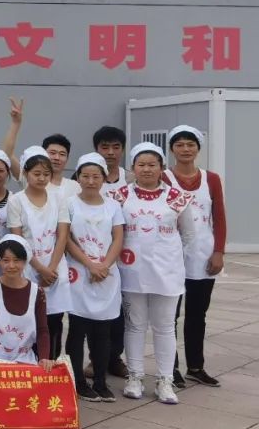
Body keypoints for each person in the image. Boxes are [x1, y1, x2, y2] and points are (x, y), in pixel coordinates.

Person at [114, 142, 195, 404]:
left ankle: (165, 380)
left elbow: (188, 235)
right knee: (134, 325)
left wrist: (166, 254)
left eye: (152, 164)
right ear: (133, 168)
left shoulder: (177, 197)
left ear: (162, 167)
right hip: (131, 272)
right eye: (141, 164)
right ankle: (135, 377)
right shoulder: (120, 196)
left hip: (167, 274)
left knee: (164, 327)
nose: (147, 169)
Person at [164, 124, 226, 388]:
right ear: (172, 149)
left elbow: (219, 217)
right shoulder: (164, 177)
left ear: (198, 148)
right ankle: (171, 368)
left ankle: (196, 366)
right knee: (169, 316)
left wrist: (218, 251)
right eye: (179, 144)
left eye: (190, 144)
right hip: (171, 256)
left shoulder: (211, 178)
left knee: (197, 314)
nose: (185, 149)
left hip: (203, 255)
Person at [65, 153, 124, 402]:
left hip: (107, 274)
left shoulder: (113, 206)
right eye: (85, 176)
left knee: (103, 331)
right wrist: (90, 264)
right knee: (77, 330)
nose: (90, 181)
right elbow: (66, 239)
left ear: (103, 178)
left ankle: (100, 380)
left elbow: (118, 237)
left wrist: (104, 265)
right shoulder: (69, 204)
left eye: (96, 176)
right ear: (78, 177)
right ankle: (78, 381)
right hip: (79, 273)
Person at [7, 146, 70, 359]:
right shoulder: (16, 200)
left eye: (46, 174)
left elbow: (62, 235)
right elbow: (18, 240)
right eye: (36, 173)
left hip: (55, 267)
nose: (42, 178)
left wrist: (51, 269)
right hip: (28, 269)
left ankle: (51, 366)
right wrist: (40, 269)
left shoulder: (59, 198)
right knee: (29, 321)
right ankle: (29, 367)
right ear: (25, 173)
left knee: (54, 322)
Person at [0, 235, 55, 371]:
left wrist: (44, 357)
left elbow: (42, 330)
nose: (11, 265)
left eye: (17, 260)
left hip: (23, 359)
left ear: (25, 261)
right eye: (6, 260)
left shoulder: (37, 292)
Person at [92, 125, 130, 380]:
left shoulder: (133, 178)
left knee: (122, 312)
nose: (110, 152)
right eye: (104, 147)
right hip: (95, 259)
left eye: (116, 147)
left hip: (129, 257)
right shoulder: (88, 178)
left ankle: (115, 357)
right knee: (94, 311)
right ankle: (96, 359)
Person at [2, 97, 79, 200]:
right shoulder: (30, 178)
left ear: (67, 159)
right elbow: (7, 155)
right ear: (43, 155)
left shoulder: (75, 187)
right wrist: (16, 123)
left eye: (62, 154)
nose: (57, 158)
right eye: (52, 153)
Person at [94, 126, 130, 195]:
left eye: (116, 147)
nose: (110, 152)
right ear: (96, 150)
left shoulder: (132, 180)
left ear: (123, 150)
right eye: (105, 148)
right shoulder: (84, 178)